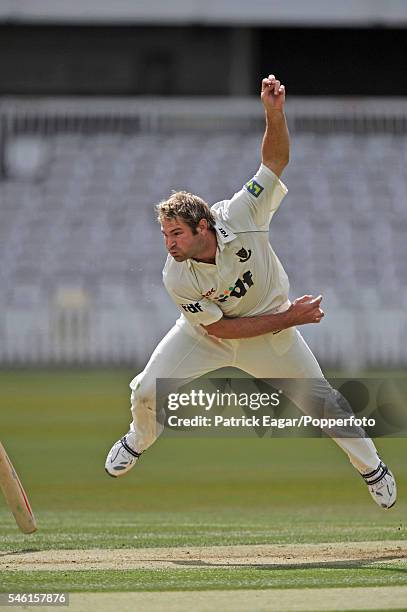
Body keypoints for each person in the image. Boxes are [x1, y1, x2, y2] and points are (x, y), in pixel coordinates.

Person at [105, 74, 396, 509]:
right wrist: (291, 317)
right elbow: (222, 332)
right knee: (146, 391)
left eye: (176, 234)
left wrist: (273, 115)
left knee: (324, 404)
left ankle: (372, 468)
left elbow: (274, 162)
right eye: (164, 234)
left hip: (273, 338)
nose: (169, 244)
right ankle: (138, 439)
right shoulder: (177, 276)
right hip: (209, 335)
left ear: (203, 227)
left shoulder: (241, 213)